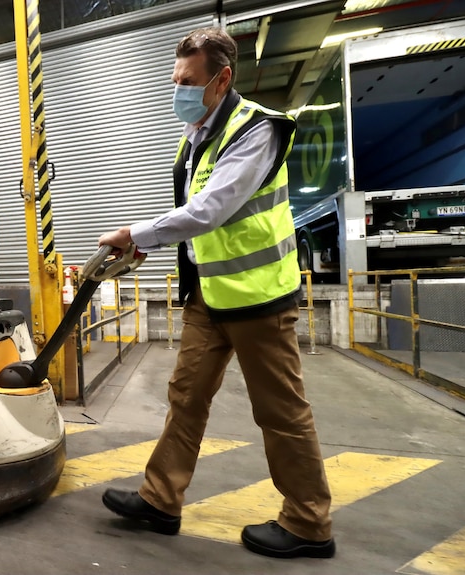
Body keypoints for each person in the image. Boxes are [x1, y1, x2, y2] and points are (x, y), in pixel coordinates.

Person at [97, 26, 335, 559]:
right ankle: (161, 501)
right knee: (186, 399)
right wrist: (148, 249)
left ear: (222, 77)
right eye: (175, 79)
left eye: (187, 80)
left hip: (259, 299)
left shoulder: (256, 130)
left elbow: (212, 210)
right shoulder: (197, 137)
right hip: (209, 297)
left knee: (280, 412)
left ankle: (308, 523)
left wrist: (137, 234)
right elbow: (198, 226)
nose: (177, 89)